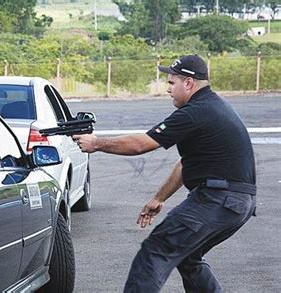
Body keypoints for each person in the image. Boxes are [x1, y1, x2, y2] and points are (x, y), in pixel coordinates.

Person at [72, 54, 257, 292]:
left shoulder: (195, 111)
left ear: (188, 83)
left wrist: (96, 143)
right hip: (239, 203)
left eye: (172, 83)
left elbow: (142, 143)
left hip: (218, 199)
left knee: (156, 250)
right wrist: (159, 199)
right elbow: (186, 163)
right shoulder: (212, 107)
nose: (168, 89)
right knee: (189, 258)